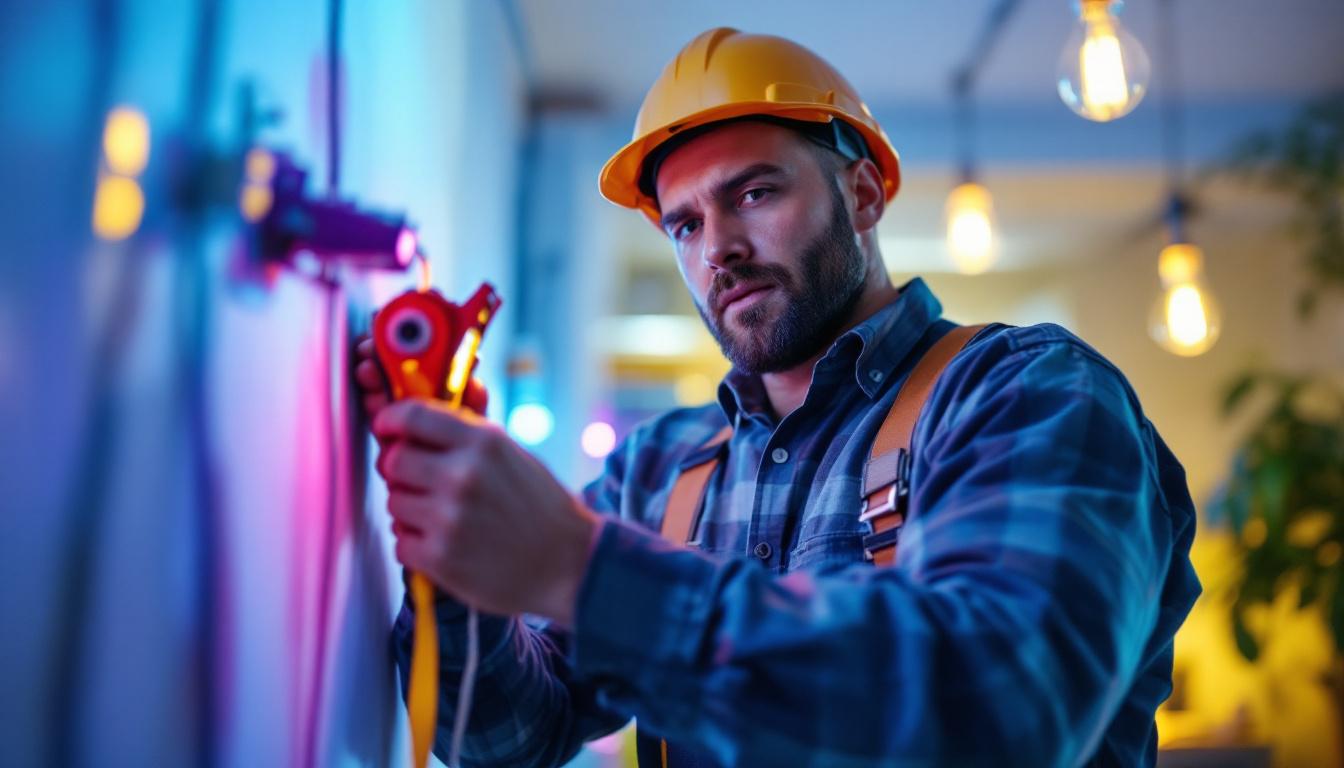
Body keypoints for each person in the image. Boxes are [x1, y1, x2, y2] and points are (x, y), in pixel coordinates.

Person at [356, 27, 1201, 767]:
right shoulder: (660, 472)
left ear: (863, 194)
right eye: (684, 224)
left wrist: (582, 570)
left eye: (754, 193)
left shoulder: (1026, 394)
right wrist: (458, 547)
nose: (717, 248)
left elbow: (1002, 709)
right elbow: (505, 738)